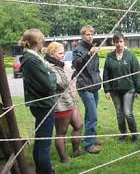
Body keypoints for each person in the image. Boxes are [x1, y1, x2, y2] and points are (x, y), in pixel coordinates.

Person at [20, 29, 56, 174]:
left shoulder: (33, 57)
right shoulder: (31, 59)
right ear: (38, 41)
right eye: (42, 39)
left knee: (41, 140)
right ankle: (45, 171)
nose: (44, 41)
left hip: (41, 103)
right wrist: (52, 75)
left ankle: (41, 170)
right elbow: (49, 84)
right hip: (43, 104)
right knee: (44, 143)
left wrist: (50, 75)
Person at [45, 42, 83, 163]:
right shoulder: (49, 67)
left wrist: (71, 73)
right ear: (52, 54)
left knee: (78, 125)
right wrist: (71, 73)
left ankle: (76, 151)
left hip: (70, 102)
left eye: (63, 53)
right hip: (60, 105)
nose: (63, 55)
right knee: (61, 132)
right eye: (60, 53)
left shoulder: (60, 65)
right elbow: (60, 84)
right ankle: (64, 158)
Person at [103, 34, 140, 142]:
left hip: (129, 89)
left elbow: (137, 74)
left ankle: (135, 134)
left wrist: (138, 90)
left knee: (127, 113)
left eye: (121, 41)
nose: (119, 44)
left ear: (124, 42)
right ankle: (123, 134)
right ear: (113, 43)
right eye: (117, 42)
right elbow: (106, 75)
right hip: (115, 90)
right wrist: (107, 90)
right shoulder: (109, 57)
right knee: (119, 114)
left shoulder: (131, 56)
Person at [72, 25, 102, 154]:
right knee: (92, 115)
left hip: (94, 86)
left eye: (92, 34)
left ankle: (91, 138)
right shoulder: (78, 49)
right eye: (87, 34)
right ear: (82, 35)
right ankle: (88, 145)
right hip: (85, 86)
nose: (90, 36)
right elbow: (76, 64)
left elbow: (95, 69)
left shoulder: (93, 48)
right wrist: (88, 55)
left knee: (91, 115)